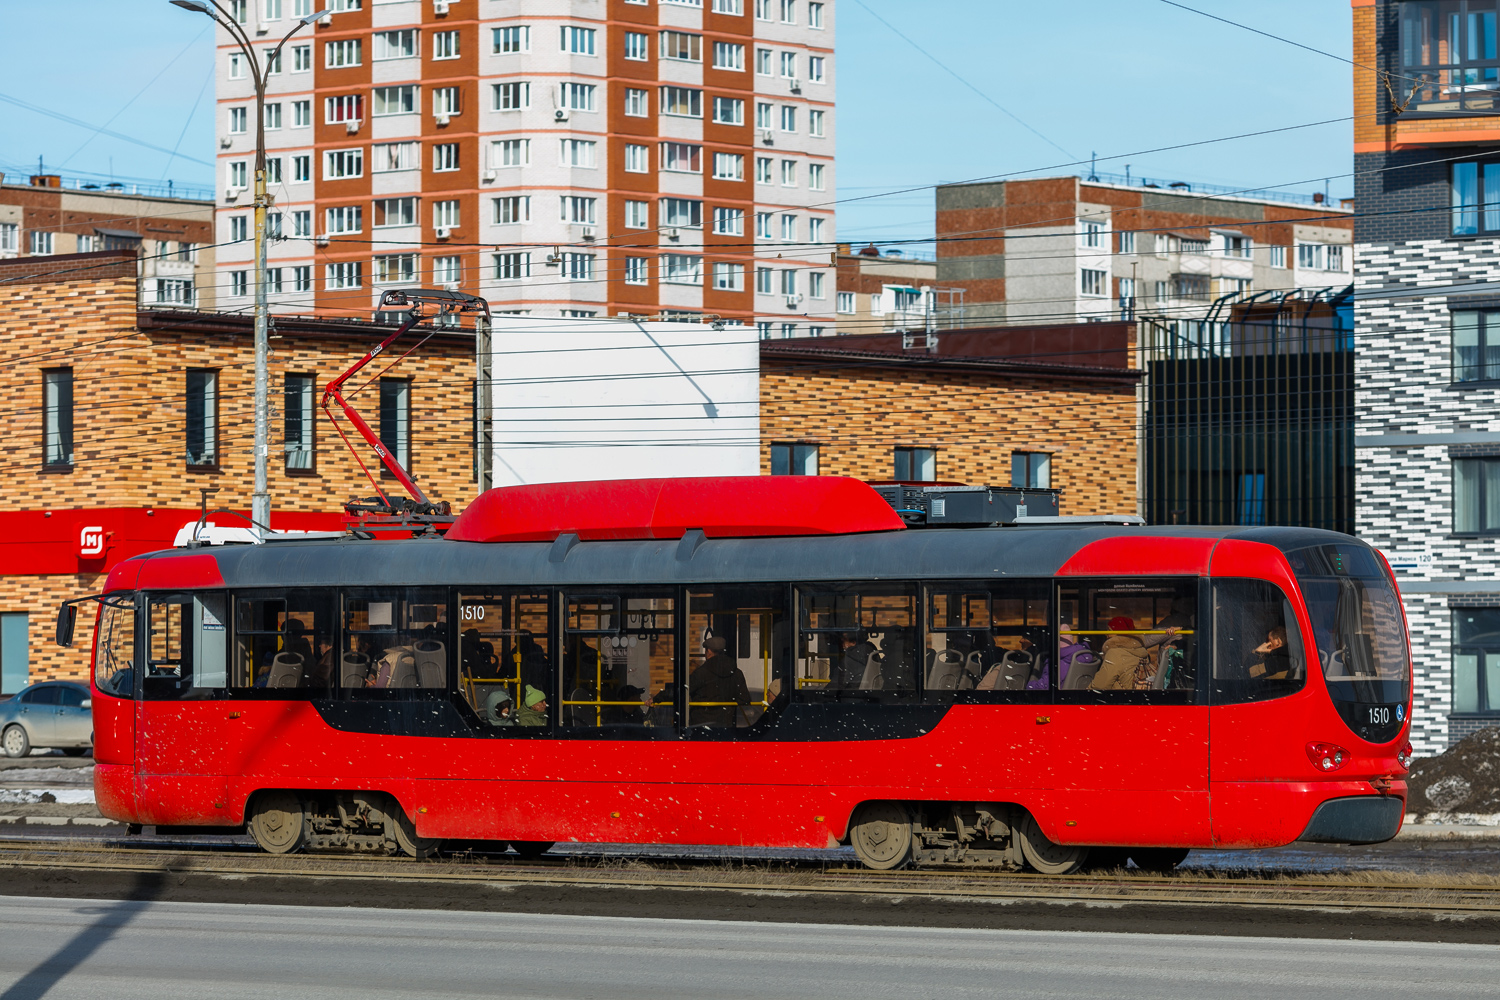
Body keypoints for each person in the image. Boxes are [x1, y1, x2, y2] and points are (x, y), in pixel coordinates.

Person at [1090, 617, 1176, 691]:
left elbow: (1100, 685)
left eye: (1109, 630)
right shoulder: (1141, 651)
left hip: (1119, 702)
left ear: (1119, 633)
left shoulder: (1115, 653)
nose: (1106, 634)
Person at [689, 635, 749, 726]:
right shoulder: (736, 673)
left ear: (709, 651)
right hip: (726, 725)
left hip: (701, 726)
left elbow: (683, 691)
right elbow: (745, 699)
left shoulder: (701, 673)